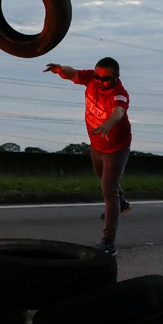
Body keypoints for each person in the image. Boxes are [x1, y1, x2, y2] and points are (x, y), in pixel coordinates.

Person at [44, 57, 132, 256]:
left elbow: (118, 112)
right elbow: (73, 72)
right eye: (97, 77)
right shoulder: (93, 79)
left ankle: (108, 243)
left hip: (116, 148)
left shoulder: (119, 94)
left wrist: (108, 124)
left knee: (108, 190)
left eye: (106, 79)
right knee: (101, 176)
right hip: (96, 144)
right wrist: (60, 70)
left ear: (117, 77)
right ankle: (122, 202)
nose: (101, 82)